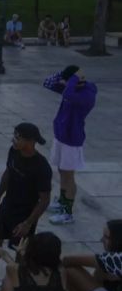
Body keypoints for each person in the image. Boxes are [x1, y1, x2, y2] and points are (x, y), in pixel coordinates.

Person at [0, 123, 51, 290]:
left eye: (18, 137)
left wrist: (28, 223)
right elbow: (8, 173)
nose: (13, 139)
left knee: (19, 250)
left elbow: (44, 199)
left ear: (30, 141)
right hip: (8, 205)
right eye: (14, 135)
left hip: (25, 212)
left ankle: (14, 285)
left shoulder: (41, 167)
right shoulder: (13, 152)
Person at [43, 66, 97, 226]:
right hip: (61, 136)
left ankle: (67, 213)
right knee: (61, 171)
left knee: (68, 175)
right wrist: (65, 74)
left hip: (72, 140)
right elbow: (48, 83)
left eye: (67, 82)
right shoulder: (72, 87)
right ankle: (62, 201)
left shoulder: (87, 94)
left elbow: (67, 93)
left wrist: (73, 79)